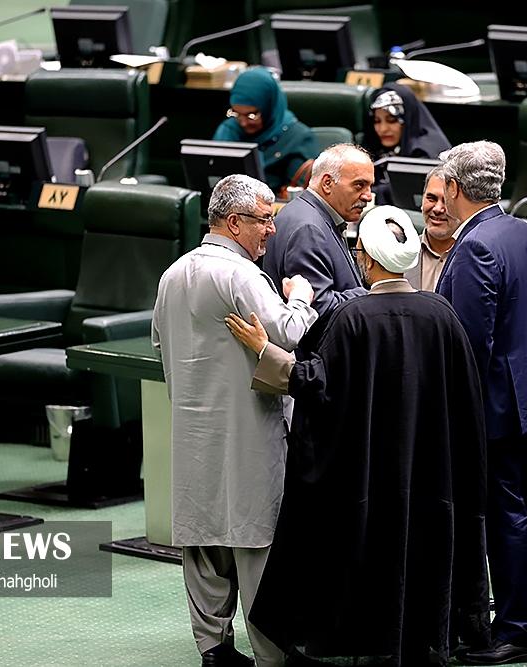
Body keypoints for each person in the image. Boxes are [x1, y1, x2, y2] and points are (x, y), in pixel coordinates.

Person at [225, 205, 490, 666]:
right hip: (431, 476)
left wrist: (264, 349)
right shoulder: (442, 315)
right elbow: (466, 399)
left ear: (364, 256)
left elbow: (314, 382)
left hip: (366, 480)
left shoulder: (351, 318)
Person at [151, 174, 318, 667]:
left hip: (193, 433)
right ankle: (272, 656)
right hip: (249, 435)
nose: (272, 229)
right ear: (233, 221)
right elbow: (286, 333)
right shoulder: (242, 275)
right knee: (256, 545)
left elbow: (160, 344)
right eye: (264, 219)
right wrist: (301, 295)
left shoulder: (172, 274)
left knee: (203, 544)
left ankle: (214, 651)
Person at [435, 141, 527, 665]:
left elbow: (470, 343)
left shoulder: (475, 246)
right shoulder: (521, 232)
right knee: (519, 514)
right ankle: (516, 622)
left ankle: (519, 632)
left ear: (453, 188)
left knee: (505, 517)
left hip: (498, 408)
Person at [262, 143, 372, 349]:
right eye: (359, 185)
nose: (368, 196)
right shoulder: (308, 229)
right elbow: (318, 309)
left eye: (370, 186)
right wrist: (373, 295)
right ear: (327, 183)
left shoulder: (304, 213)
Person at [213, 67, 320, 194]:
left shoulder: (298, 138)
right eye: (236, 113)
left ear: (268, 108)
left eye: (251, 115)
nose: (243, 122)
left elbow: (298, 195)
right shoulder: (228, 131)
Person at [362, 84, 451, 204]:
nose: (383, 129)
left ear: (408, 119)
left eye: (392, 120)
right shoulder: (373, 147)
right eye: (377, 121)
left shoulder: (425, 154)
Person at [406, 166, 459, 291]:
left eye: (446, 201)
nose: (437, 209)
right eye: (431, 198)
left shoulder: (474, 256)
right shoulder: (401, 252)